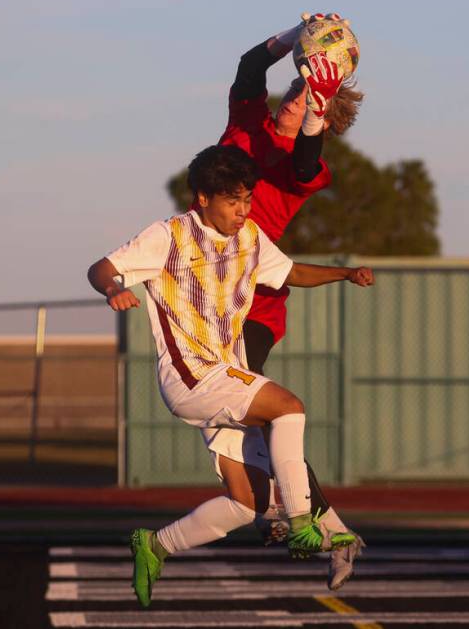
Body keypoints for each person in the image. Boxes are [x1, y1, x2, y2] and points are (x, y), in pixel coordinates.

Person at [87, 145, 374, 608]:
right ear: (202, 198)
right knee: (289, 407)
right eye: (233, 201)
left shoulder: (251, 238)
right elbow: (100, 267)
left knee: (247, 504)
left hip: (223, 375)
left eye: (247, 200)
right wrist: (112, 289)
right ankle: (302, 523)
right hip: (192, 378)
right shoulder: (169, 236)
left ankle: (155, 546)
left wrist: (345, 274)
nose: (243, 211)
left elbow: (290, 272)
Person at [216, 13, 366, 589]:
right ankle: (334, 528)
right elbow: (250, 67)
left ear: (320, 116)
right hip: (207, 295)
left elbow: (306, 159)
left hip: (256, 301)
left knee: (248, 401)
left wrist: (322, 99)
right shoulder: (248, 122)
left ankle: (288, 510)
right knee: (238, 412)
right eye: (298, 87)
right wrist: (289, 38)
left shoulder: (307, 165)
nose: (295, 99)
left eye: (308, 99)